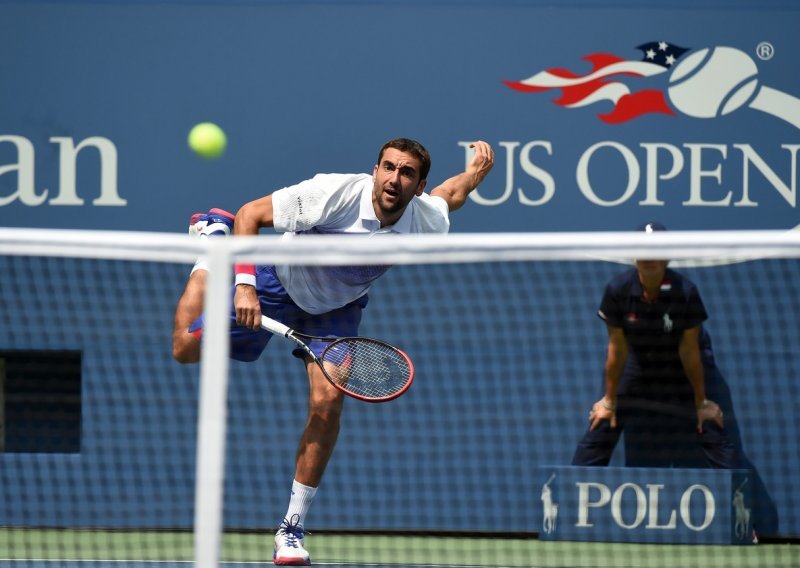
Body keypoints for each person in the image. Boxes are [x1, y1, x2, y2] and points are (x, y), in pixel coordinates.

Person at [172, 138, 494, 566]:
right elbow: (251, 214)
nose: (395, 178)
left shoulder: (423, 219)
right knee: (184, 347)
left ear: (418, 186)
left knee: (328, 403)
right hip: (275, 282)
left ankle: (290, 529)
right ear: (375, 170)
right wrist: (244, 284)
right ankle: (212, 242)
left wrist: (474, 173)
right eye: (389, 168)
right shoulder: (334, 195)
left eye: (407, 173)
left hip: (335, 311)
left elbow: (450, 197)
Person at [571, 221, 737, 470]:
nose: (649, 256)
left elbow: (689, 350)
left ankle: (738, 498)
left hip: (680, 363)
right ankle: (569, 497)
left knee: (708, 423)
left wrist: (701, 402)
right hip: (637, 359)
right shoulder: (618, 291)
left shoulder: (686, 292)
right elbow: (618, 349)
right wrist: (609, 400)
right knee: (604, 421)